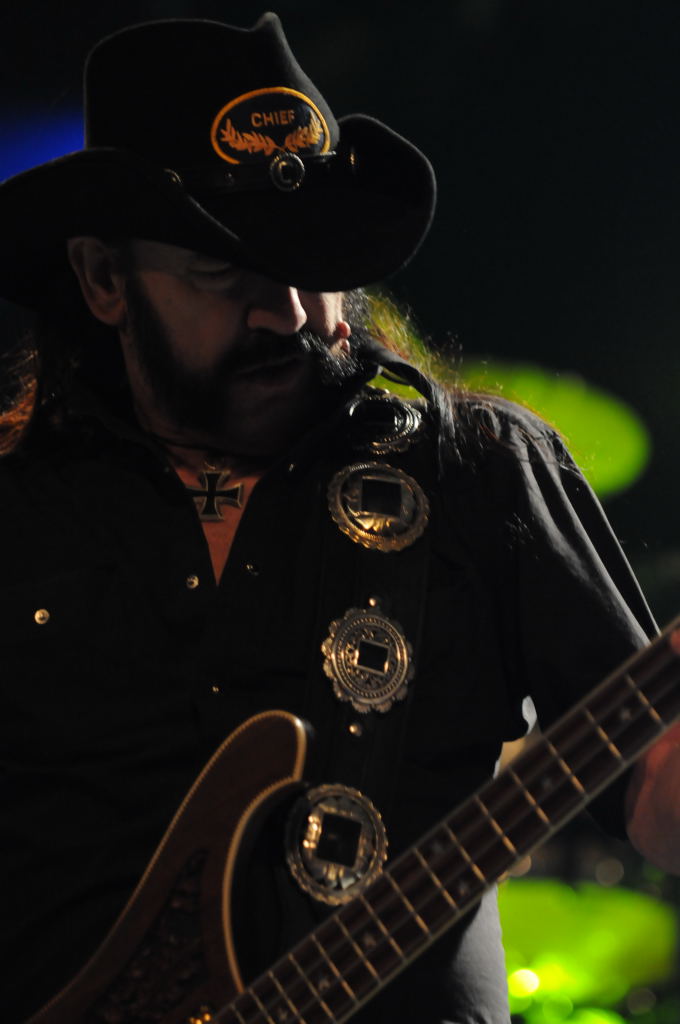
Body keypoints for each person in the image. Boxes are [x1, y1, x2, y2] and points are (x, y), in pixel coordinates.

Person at [0, 13, 678, 1024]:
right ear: (104, 278)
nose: (290, 312)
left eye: (311, 261)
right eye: (222, 271)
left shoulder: (478, 470)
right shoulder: (20, 516)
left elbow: (655, 796)